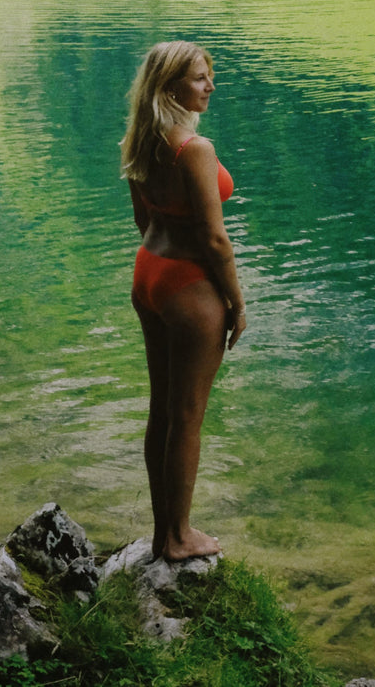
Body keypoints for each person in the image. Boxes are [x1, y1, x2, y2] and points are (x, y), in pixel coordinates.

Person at [121, 40, 246, 561]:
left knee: (162, 411)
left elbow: (143, 218)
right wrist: (235, 302)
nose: (210, 86)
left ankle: (162, 533)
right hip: (190, 286)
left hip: (150, 273)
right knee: (189, 414)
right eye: (199, 78)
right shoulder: (195, 149)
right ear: (169, 85)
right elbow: (215, 240)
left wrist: (165, 262)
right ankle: (179, 537)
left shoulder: (140, 139)